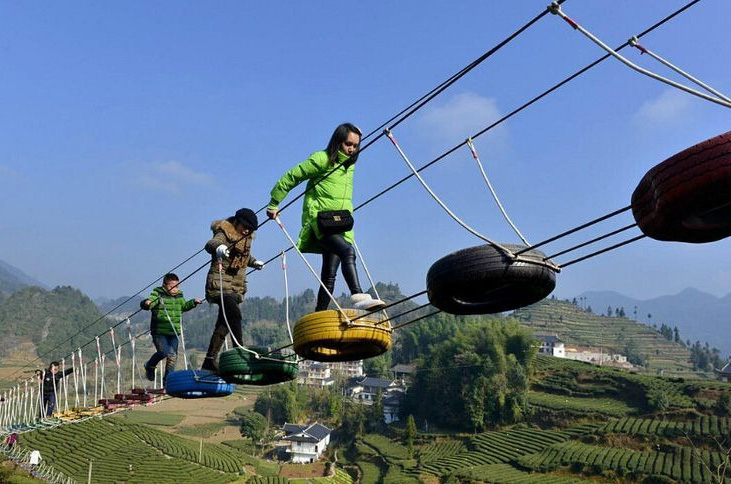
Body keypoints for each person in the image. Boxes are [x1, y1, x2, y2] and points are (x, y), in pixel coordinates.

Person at [266, 122, 386, 312]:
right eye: (348, 144)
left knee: (329, 276)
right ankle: (358, 296)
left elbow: (355, 145)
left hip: (342, 224)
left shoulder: (349, 164)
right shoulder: (322, 159)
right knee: (348, 252)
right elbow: (292, 176)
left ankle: (319, 313)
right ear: (338, 141)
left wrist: (359, 133)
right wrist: (274, 203)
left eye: (355, 146)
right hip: (320, 223)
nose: (351, 149)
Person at [201, 208, 264, 373]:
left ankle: (209, 360)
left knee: (223, 325)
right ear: (236, 222)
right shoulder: (224, 231)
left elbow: (244, 256)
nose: (247, 230)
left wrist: (254, 262)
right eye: (245, 226)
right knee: (235, 314)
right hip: (220, 286)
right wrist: (219, 248)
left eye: (250, 229)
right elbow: (211, 244)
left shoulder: (246, 238)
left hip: (236, 288)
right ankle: (239, 350)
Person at [141, 273, 202, 382]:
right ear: (164, 286)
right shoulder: (158, 294)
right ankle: (150, 366)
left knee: (172, 357)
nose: (175, 289)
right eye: (171, 287)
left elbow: (183, 306)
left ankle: (168, 381)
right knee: (163, 352)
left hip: (173, 331)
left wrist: (193, 302)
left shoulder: (179, 296)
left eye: (177, 286)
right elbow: (150, 303)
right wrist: (147, 303)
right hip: (159, 331)